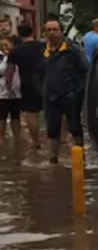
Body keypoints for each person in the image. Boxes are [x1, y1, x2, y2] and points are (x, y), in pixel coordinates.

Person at [41, 19, 87, 164]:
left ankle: (80, 158)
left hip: (70, 95)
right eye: (48, 30)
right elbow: (38, 72)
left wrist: (76, 92)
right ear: (44, 33)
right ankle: (53, 159)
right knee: (52, 128)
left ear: (61, 31)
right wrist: (42, 88)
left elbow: (85, 71)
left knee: (75, 126)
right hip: (50, 96)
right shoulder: (43, 50)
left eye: (55, 29)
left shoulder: (72, 50)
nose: (52, 33)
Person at [9, 24, 44, 160]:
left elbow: (10, 71)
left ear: (19, 34)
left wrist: (10, 87)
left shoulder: (16, 51)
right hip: (45, 81)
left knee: (31, 115)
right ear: (33, 32)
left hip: (27, 84)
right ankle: (61, 140)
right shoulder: (43, 46)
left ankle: (36, 143)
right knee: (54, 112)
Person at [0, 37, 20, 156]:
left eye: (6, 45)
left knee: (16, 116)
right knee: (1, 117)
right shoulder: (2, 58)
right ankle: (1, 138)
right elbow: (2, 70)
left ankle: (17, 139)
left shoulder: (17, 56)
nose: (5, 47)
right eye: (2, 45)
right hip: (2, 93)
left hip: (16, 92)